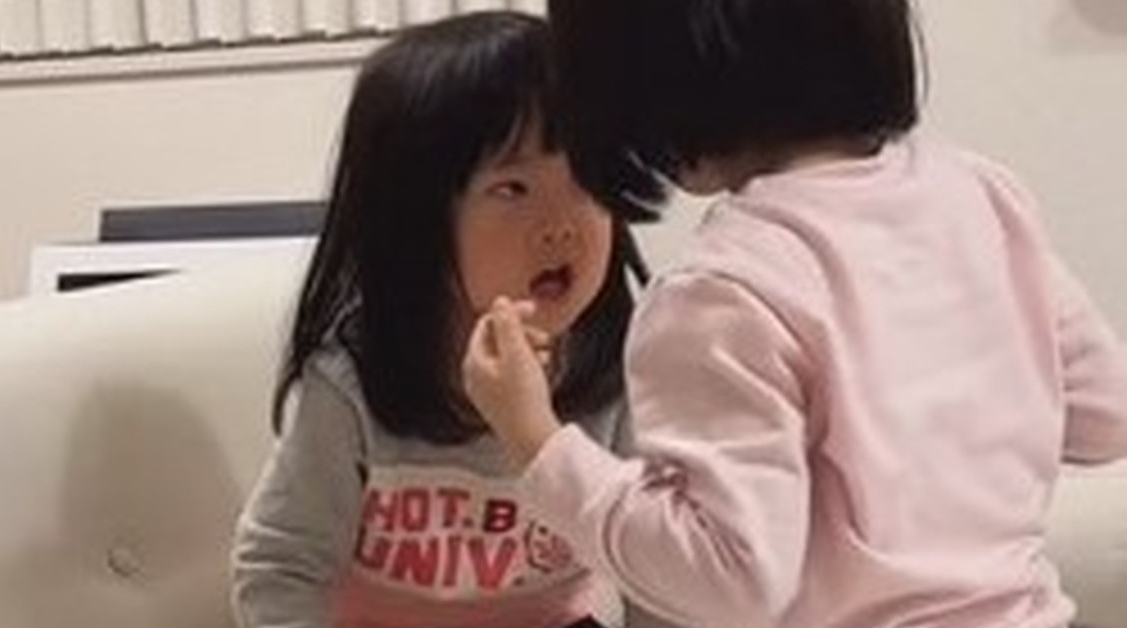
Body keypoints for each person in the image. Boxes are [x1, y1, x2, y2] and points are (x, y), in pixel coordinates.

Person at [462, 1, 1127, 627]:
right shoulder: (983, 196)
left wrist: (536, 439)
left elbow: (728, 577)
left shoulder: (722, 294)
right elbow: (1106, 417)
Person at [232, 11, 651, 628]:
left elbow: (655, 568)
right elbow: (279, 567)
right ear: (415, 222)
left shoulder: (619, 371)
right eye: (513, 189)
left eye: (587, 176)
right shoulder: (351, 381)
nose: (562, 224)